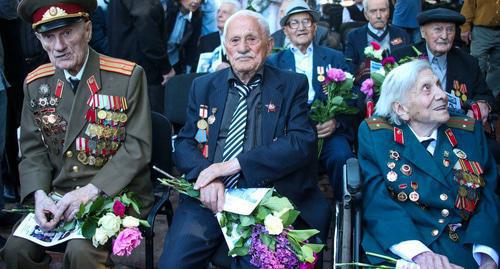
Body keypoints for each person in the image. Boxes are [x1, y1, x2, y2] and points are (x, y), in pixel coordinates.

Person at [159, 9, 331, 268]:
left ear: (269, 44)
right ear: (225, 47)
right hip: (210, 196)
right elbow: (185, 143)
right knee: (173, 264)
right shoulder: (204, 86)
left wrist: (233, 165)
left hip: (268, 197)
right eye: (235, 40)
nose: (243, 48)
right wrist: (210, 175)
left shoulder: (291, 84)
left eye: (251, 39)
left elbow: (300, 143)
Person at [0, 0, 154, 268]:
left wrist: (91, 191)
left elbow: (137, 147)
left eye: (67, 32)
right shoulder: (36, 84)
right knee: (14, 250)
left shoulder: (126, 77)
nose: (59, 46)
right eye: (49, 36)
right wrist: (39, 194)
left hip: (111, 191)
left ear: (88, 30)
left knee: (82, 253)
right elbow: (33, 149)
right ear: (38, 38)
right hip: (57, 194)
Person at [358, 60, 499, 269]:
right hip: (404, 246)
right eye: (427, 89)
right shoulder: (378, 136)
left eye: (438, 85)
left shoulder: (467, 132)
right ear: (401, 108)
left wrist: (487, 256)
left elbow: (487, 196)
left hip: (465, 245)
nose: (442, 95)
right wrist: (420, 254)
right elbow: (377, 202)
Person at [267, 0, 354, 199]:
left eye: (306, 22)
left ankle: (345, 208)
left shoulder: (335, 58)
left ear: (314, 27)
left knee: (343, 157)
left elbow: (353, 99)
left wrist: (336, 122)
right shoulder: (274, 63)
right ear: (286, 30)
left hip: (327, 132)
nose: (301, 28)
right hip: (290, 133)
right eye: (294, 23)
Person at [392, 8, 494, 124]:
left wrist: (482, 104)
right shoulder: (401, 58)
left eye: (450, 30)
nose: (445, 36)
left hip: (456, 127)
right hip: (414, 126)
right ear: (423, 32)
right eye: (438, 30)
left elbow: (485, 95)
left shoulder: (468, 62)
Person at [107, 0, 173, 114]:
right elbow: (148, 33)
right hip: (144, 74)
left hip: (125, 70)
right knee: (150, 123)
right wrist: (165, 67)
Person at [344, 0, 410, 71]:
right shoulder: (354, 37)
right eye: (373, 11)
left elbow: (409, 64)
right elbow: (349, 66)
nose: (379, 16)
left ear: (388, 12)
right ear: (366, 15)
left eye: (383, 10)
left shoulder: (402, 34)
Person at [460, 0, 500, 97]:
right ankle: (474, 95)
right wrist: (465, 28)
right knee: (477, 63)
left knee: (498, 66)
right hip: (482, 30)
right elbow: (468, 6)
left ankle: (491, 97)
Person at [196, 0, 241, 73]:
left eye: (225, 12)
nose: (219, 15)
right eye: (218, 11)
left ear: (235, 18)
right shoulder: (206, 40)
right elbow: (199, 70)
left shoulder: (242, 41)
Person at [165, 0, 203, 74]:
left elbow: (192, 46)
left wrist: (188, 69)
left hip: (174, 60)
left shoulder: (196, 16)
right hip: (156, 56)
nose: (196, 1)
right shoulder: (167, 9)